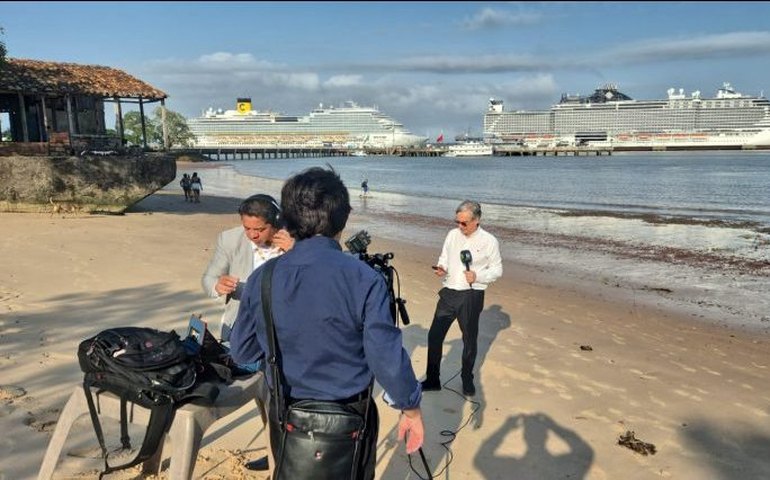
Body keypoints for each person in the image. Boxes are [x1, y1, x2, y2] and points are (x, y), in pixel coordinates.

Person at [230, 167, 424, 479]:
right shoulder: (364, 278)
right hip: (350, 413)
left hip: (287, 409)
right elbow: (385, 357)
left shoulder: (262, 278)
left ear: (287, 220)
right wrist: (410, 407)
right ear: (342, 219)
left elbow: (242, 352)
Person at [422, 200, 503, 396]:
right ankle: (432, 379)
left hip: (471, 295)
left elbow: (497, 270)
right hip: (449, 292)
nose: (460, 226)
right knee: (434, 336)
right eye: (457, 222)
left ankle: (467, 379)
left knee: (469, 340)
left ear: (477, 220)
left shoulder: (489, 241)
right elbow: (445, 256)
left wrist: (478, 276)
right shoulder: (452, 235)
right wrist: (442, 268)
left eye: (464, 223)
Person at [201, 194, 294, 344]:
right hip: (241, 324)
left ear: (277, 221)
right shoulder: (229, 239)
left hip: (284, 325)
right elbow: (208, 279)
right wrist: (217, 286)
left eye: (260, 229)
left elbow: (315, 277)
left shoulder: (295, 240)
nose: (252, 234)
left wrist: (295, 252)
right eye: (247, 228)